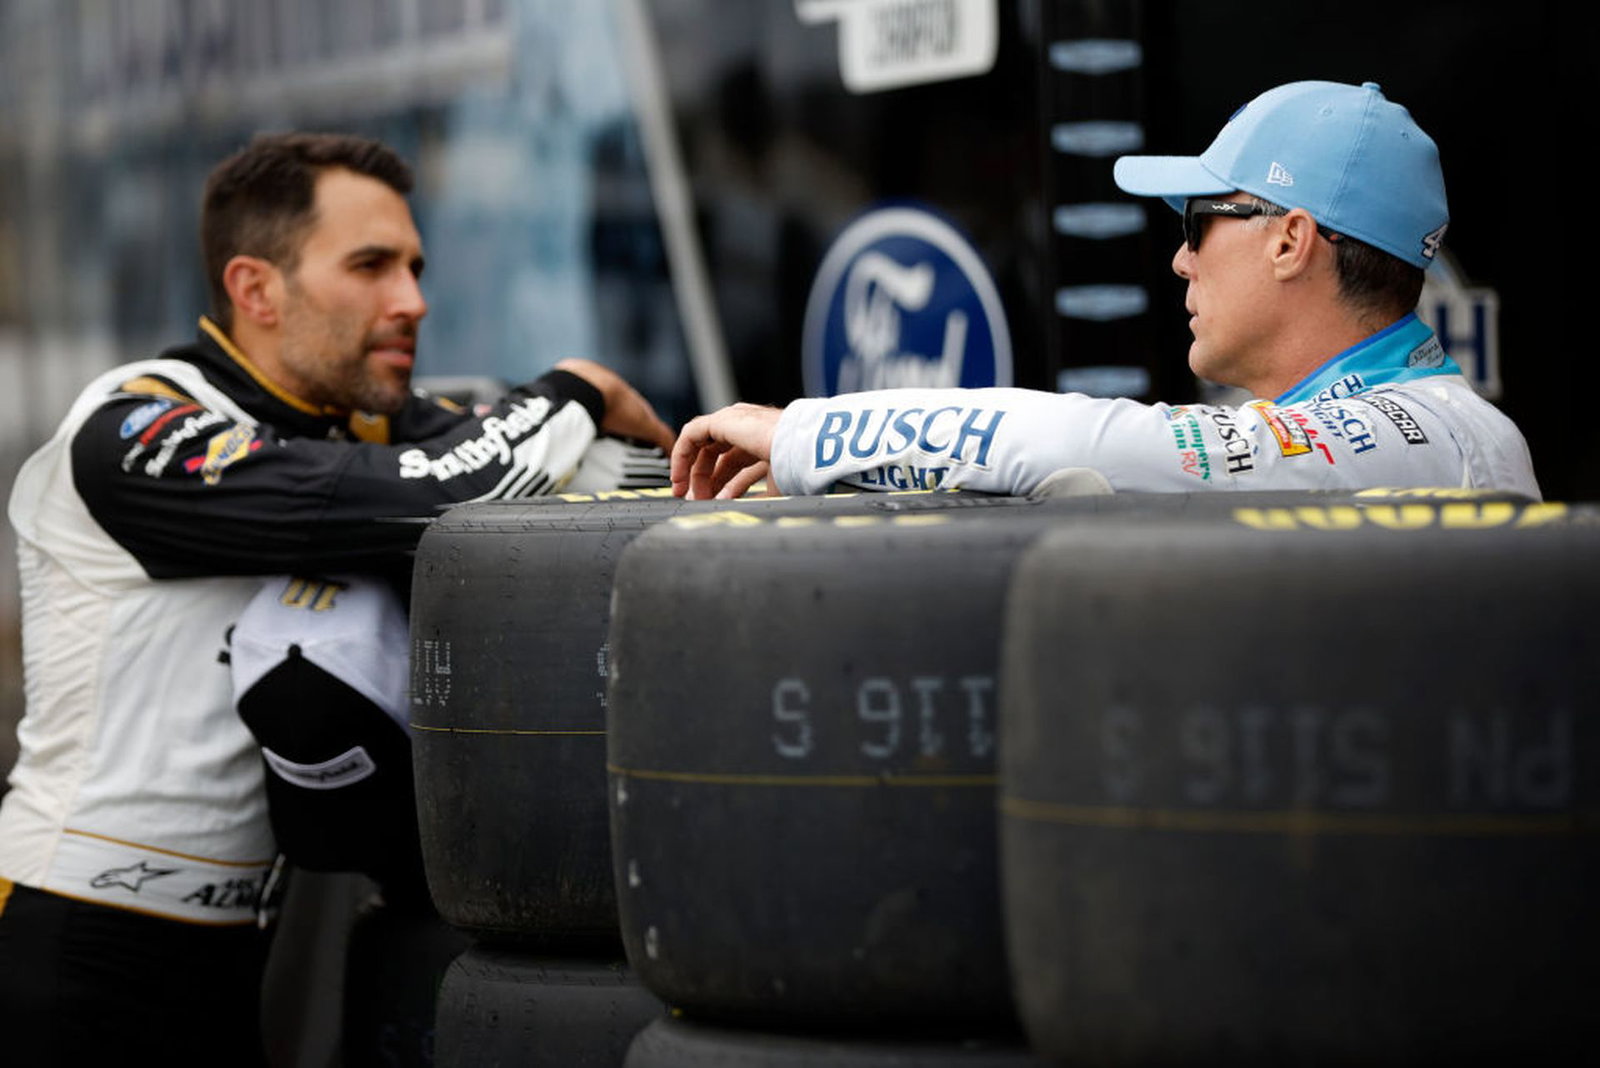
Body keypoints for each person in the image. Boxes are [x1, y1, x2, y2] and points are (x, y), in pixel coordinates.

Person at [0, 132, 674, 1061]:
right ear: (255, 290)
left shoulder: (358, 422)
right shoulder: (133, 426)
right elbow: (446, 488)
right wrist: (580, 386)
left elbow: (546, 479)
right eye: (371, 266)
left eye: (415, 267)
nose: (413, 301)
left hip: (241, 951)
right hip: (73, 940)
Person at [670, 81, 1539, 502]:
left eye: (1199, 220)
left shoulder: (1444, 438)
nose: (1181, 261)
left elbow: (1096, 446)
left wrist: (804, 434)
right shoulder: (1417, 429)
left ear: (1289, 239)